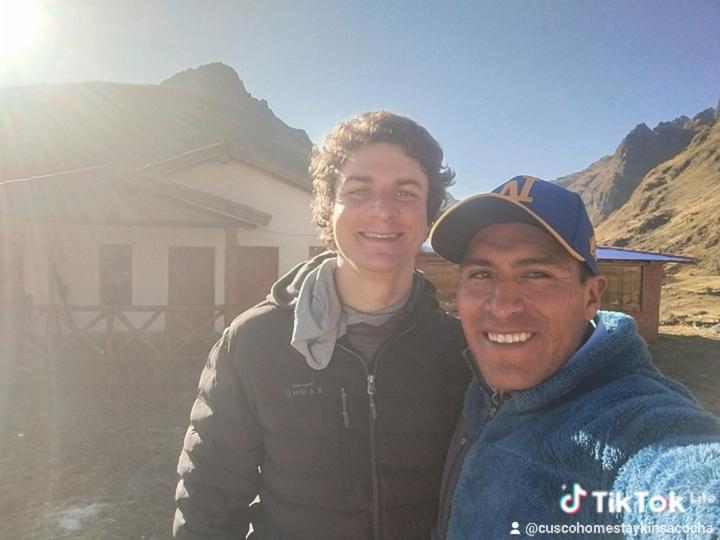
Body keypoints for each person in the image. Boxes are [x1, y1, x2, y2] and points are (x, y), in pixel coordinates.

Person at [173, 111, 470, 539]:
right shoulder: (255, 342)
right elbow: (208, 502)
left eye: (405, 192)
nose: (382, 210)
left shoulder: (460, 351)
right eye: (359, 190)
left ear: (429, 215)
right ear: (328, 208)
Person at [429, 175, 720, 539]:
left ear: (591, 297)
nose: (502, 306)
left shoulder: (627, 421)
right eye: (482, 274)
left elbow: (686, 477)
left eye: (537, 274)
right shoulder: (480, 386)